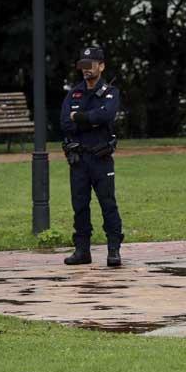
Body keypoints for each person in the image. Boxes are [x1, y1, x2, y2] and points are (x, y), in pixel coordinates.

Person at [59, 46, 124, 266]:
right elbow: (65, 123)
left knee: (108, 203)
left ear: (101, 66)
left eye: (91, 64)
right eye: (83, 65)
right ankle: (82, 251)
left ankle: (113, 250)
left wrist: (79, 117)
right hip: (79, 159)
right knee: (79, 205)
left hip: (101, 157)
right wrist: (89, 120)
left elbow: (106, 115)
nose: (86, 69)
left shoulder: (110, 92)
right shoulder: (74, 93)